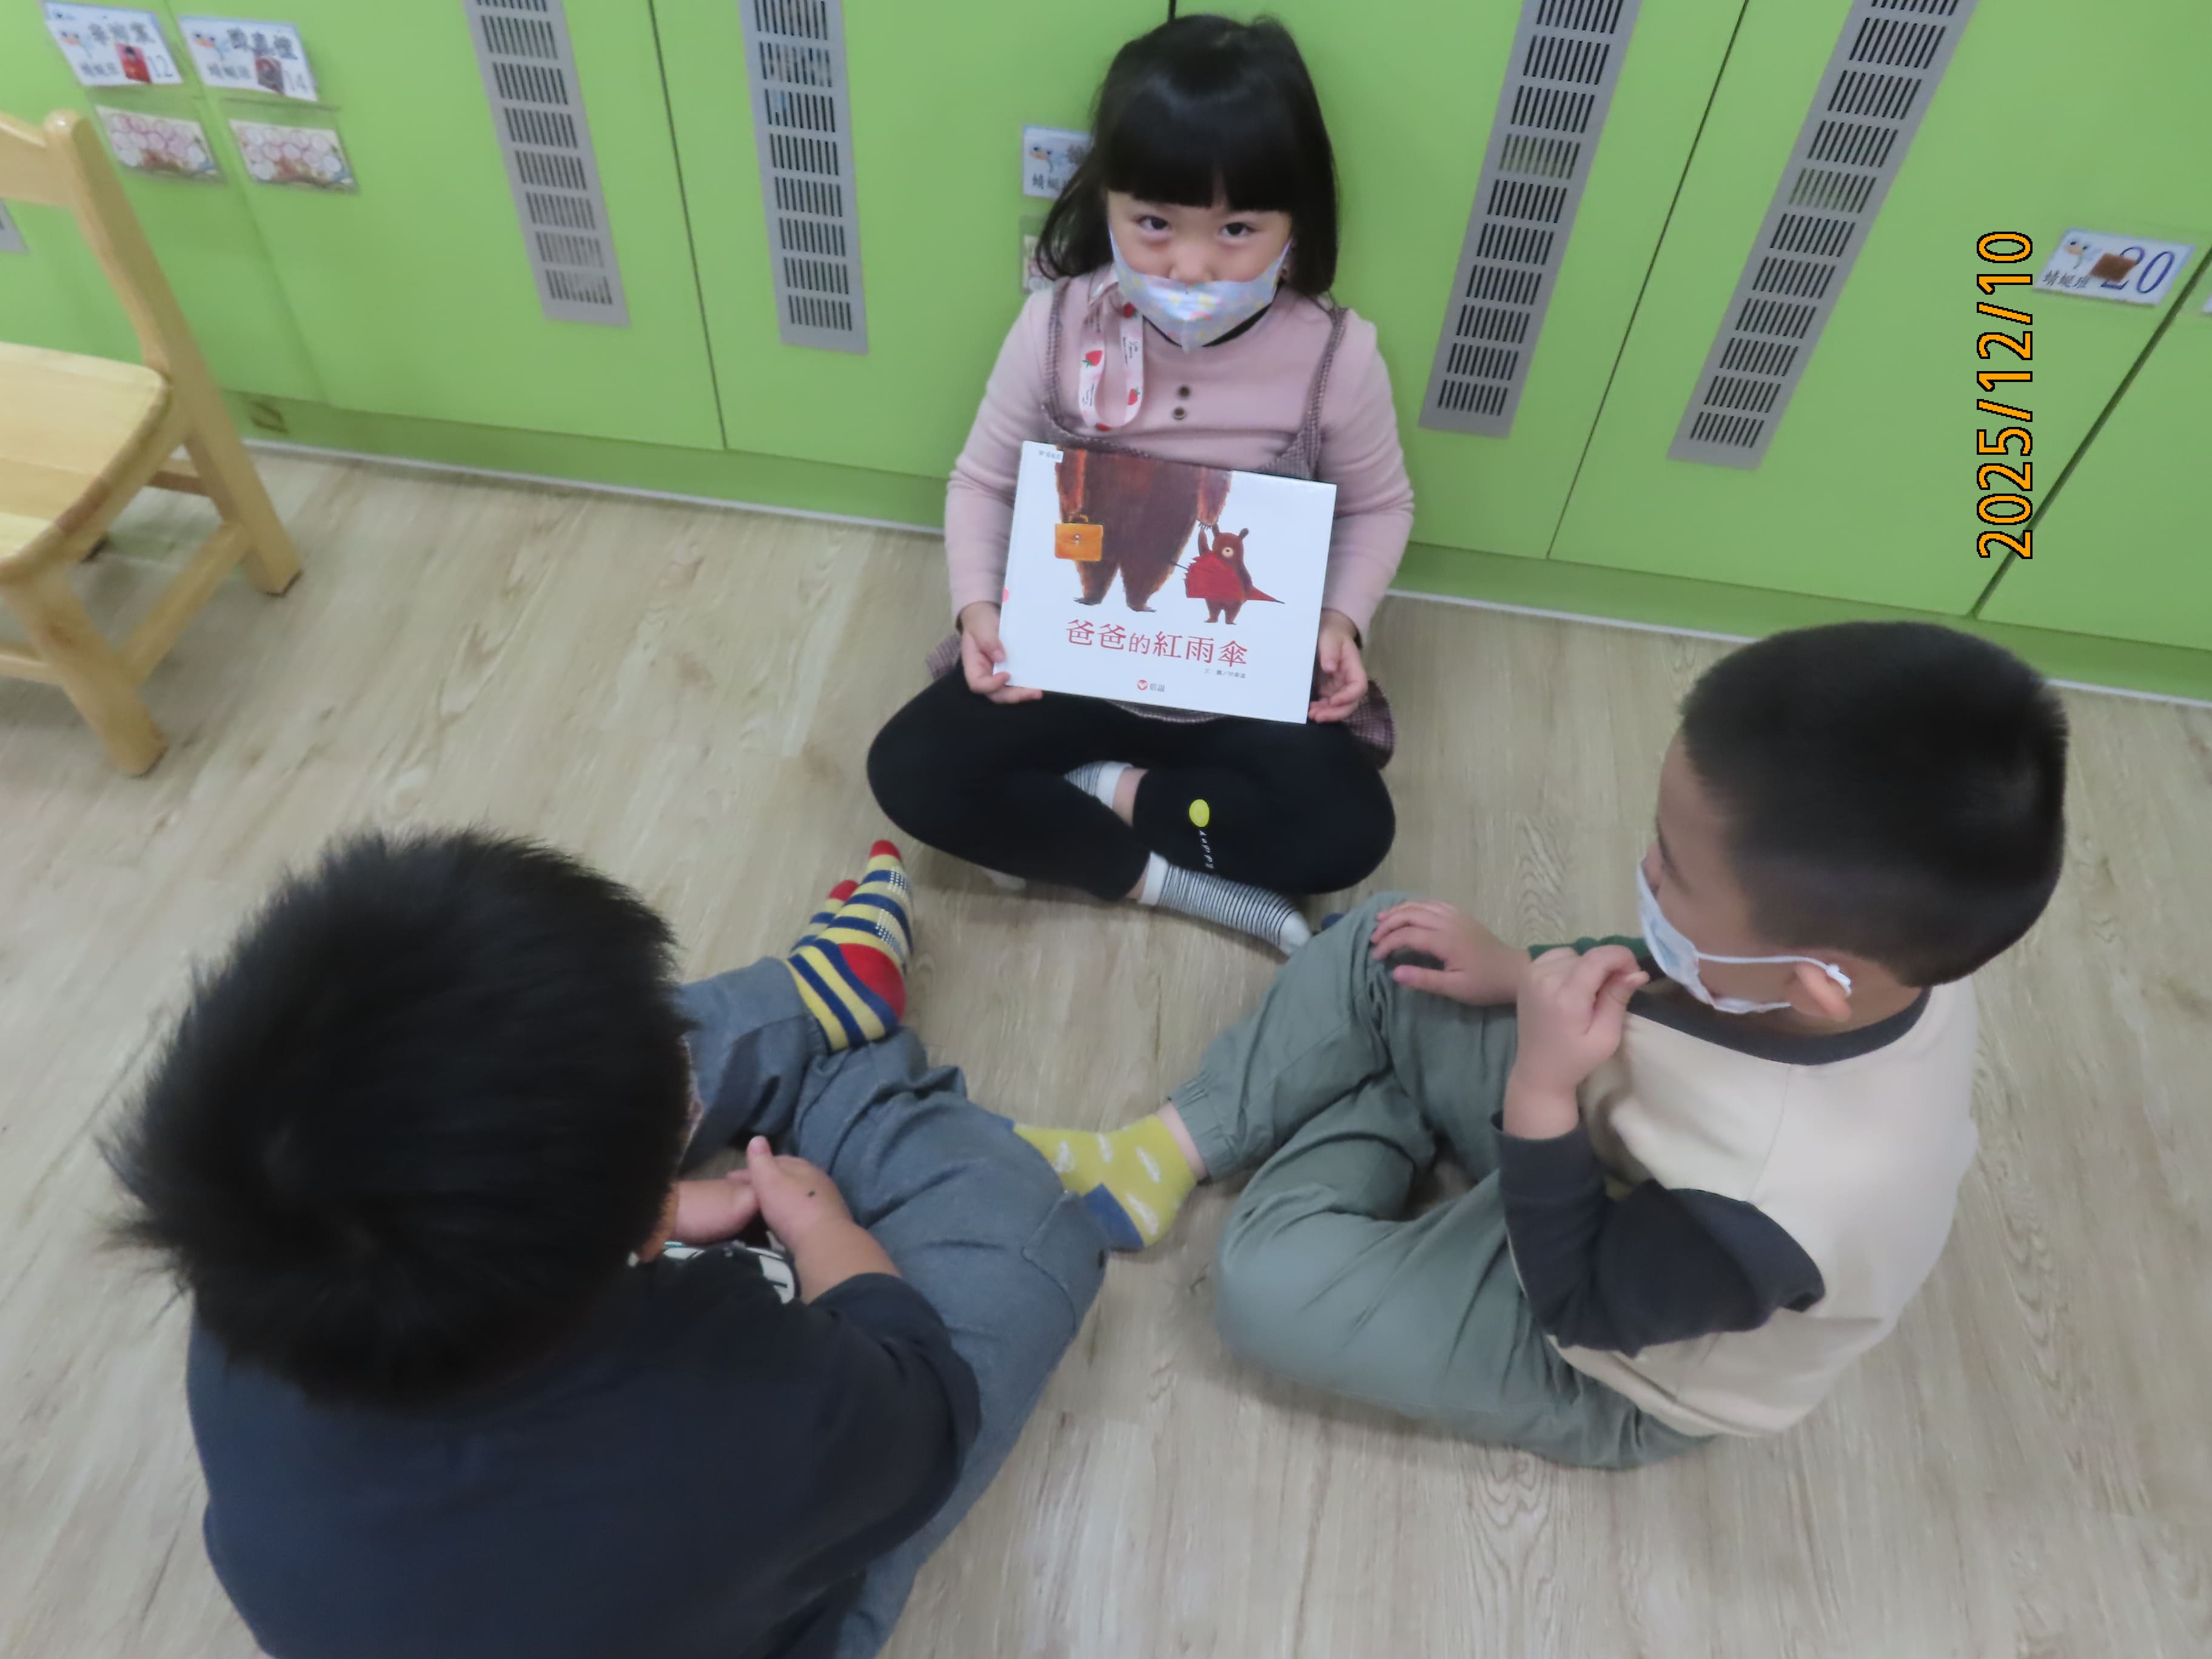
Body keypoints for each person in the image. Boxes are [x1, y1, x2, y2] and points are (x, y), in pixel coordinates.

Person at [1013, 622, 2069, 1467]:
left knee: (1264, 1293)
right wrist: (1521, 974)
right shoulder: (1878, 964)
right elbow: (1674, 975)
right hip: (1614, 1125)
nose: (1644, 873)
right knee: (1393, 938)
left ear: (1813, 984)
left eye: (1674, 874)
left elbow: (1581, 1298)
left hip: (1611, 1348)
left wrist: (1541, 1096)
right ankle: (1166, 1147)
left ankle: (1377, 1106)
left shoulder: (1779, 1203)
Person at [106, 831, 1103, 1659]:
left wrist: (640, 1209)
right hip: (742, 1598)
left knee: (497, 1059)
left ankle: (810, 1005)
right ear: (647, 1230)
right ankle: (844, 1062)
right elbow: (923, 1407)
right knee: (1023, 1233)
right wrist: (819, 1227)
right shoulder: (747, 1401)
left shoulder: (256, 1259)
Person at [868, 14, 1415, 955]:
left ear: (1294, 227)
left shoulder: (1337, 358)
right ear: (1108, 203)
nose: (1192, 265)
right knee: (909, 770)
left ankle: (1099, 798)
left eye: (1237, 230)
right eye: (1154, 224)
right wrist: (978, 609)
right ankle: (1168, 879)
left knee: (1352, 831)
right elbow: (983, 482)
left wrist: (1340, 622)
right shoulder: (1056, 327)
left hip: (1238, 677)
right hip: (1075, 655)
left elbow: (1379, 505)